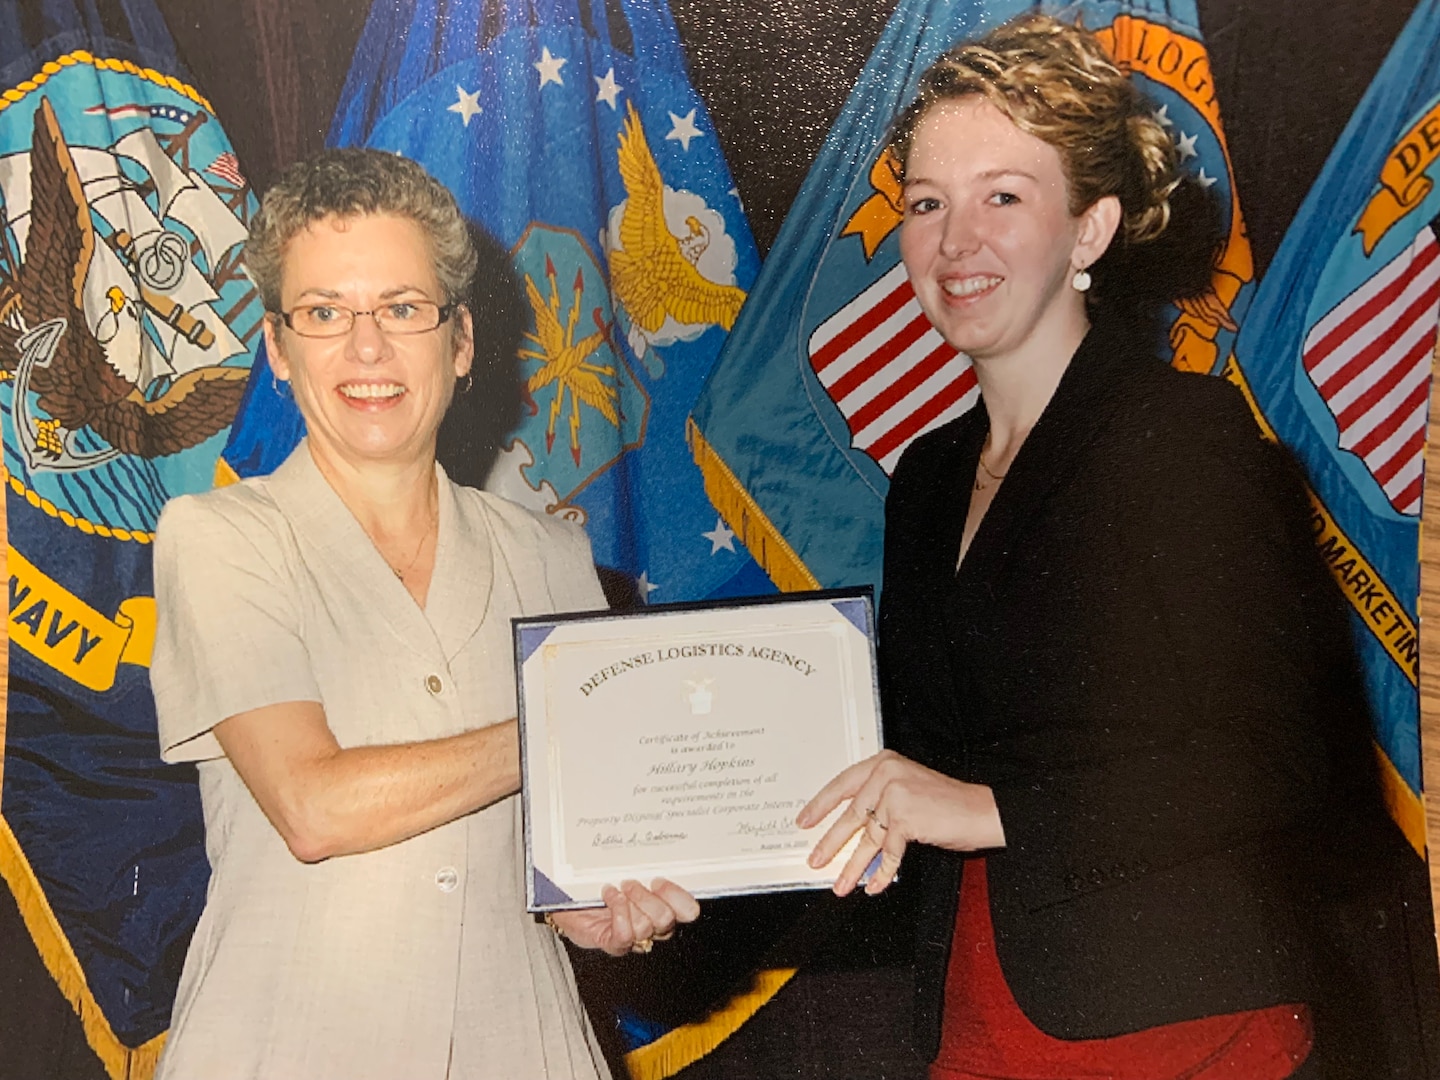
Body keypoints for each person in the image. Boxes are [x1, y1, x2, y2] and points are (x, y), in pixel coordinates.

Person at [799, 13, 1438, 1079]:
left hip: (1176, 1026)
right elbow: (898, 769)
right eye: (926, 203)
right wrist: (663, 877)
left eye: (1003, 196)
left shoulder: (1181, 437)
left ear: (1091, 230)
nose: (956, 241)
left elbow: (1276, 762)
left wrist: (987, 810)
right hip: (975, 1011)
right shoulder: (925, 478)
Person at [150, 149, 698, 1079]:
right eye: (324, 314)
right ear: (278, 350)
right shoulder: (218, 538)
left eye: (403, 309)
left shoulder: (553, 558)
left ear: (462, 341)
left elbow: (549, 864)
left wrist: (593, 911)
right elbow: (313, 806)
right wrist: (576, 725)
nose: (368, 350)